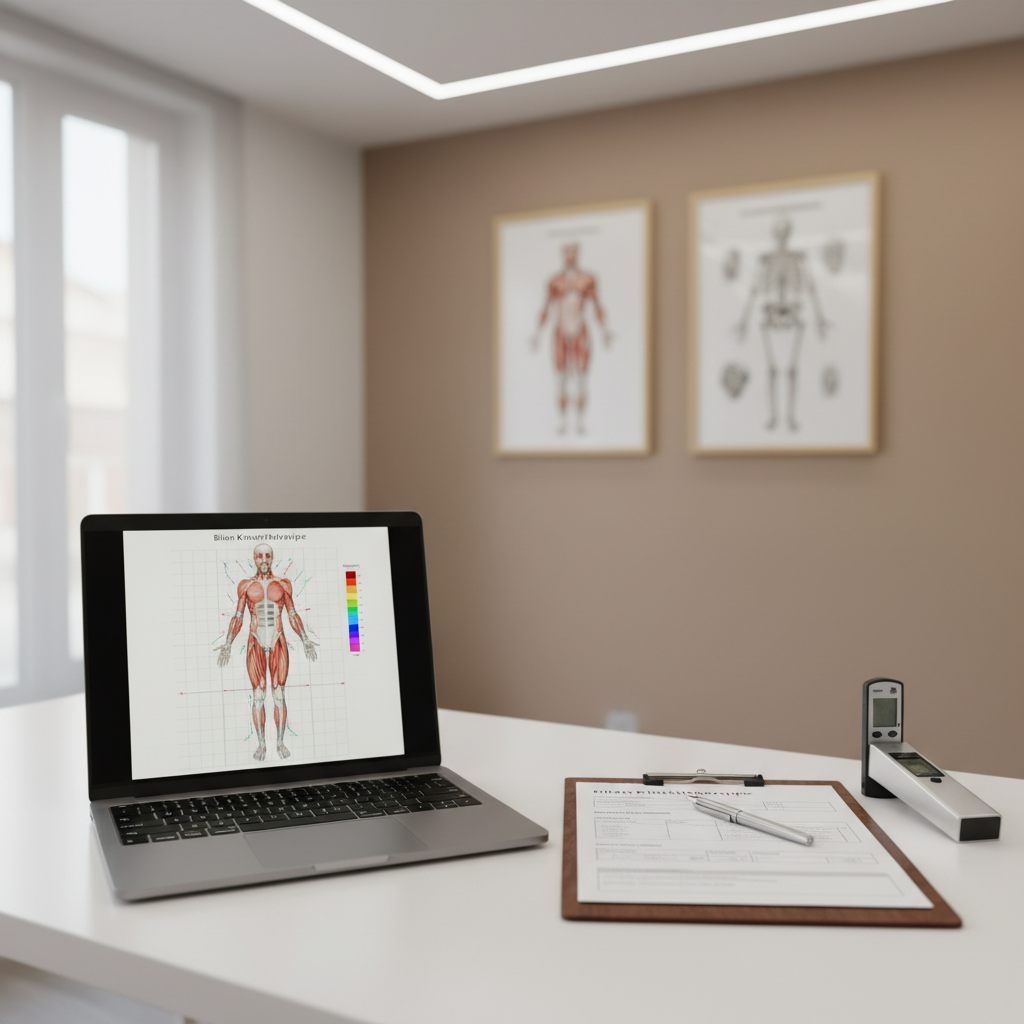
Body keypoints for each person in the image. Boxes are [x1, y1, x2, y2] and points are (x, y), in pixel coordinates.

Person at [215, 543, 317, 761]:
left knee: (279, 694)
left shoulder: (283, 584)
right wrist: (228, 643)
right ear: (254, 559)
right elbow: (238, 617)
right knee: (259, 695)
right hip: (255, 643)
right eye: (259, 556)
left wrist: (305, 639)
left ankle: (279, 742)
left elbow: (292, 614)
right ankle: (261, 744)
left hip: (278, 640)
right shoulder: (245, 586)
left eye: (267, 556)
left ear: (272, 558)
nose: (264, 559)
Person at [734, 217, 830, 431]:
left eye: (784, 231)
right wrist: (743, 321)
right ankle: (774, 418)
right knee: (772, 369)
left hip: (794, 313)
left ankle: (791, 418)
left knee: (792, 369)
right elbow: (754, 289)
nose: (781, 235)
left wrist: (820, 318)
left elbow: (811, 287)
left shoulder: (799, 257)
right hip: (769, 315)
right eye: (778, 231)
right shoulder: (765, 259)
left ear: (789, 233)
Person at [532, 243, 612, 434]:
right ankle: (562, 422)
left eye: (573, 252)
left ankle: (580, 422)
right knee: (561, 379)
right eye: (567, 252)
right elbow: (546, 307)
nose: (570, 255)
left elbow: (597, 305)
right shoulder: (555, 281)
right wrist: (537, 334)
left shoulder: (588, 279)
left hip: (580, 329)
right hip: (560, 330)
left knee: (581, 378)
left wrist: (604, 331)